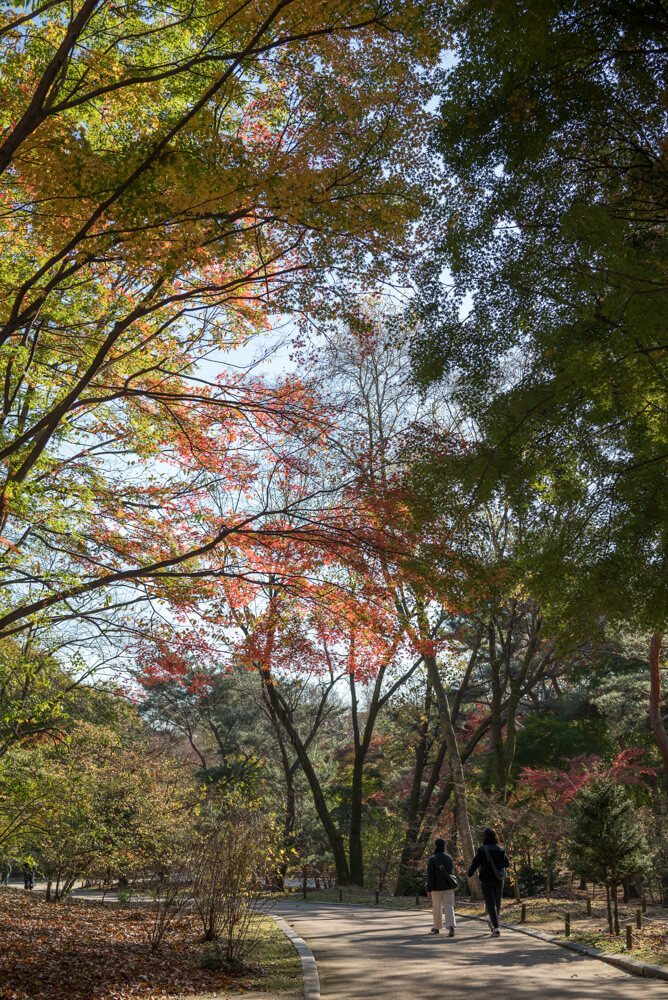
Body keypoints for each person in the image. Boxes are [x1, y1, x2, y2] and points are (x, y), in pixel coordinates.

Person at [468, 827, 510, 937]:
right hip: (499, 879)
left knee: (490, 903)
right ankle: (493, 923)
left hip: (486, 879)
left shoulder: (482, 849)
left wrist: (470, 872)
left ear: (485, 837)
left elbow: (475, 862)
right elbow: (507, 864)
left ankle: (496, 928)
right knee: (497, 901)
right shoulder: (501, 849)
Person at [427, 837, 456, 936]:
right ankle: (451, 926)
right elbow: (451, 872)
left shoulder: (432, 859)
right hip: (448, 886)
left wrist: (428, 889)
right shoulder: (449, 858)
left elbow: (430, 876)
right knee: (449, 906)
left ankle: (437, 927)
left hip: (436, 887)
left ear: (435, 846)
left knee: (436, 907)